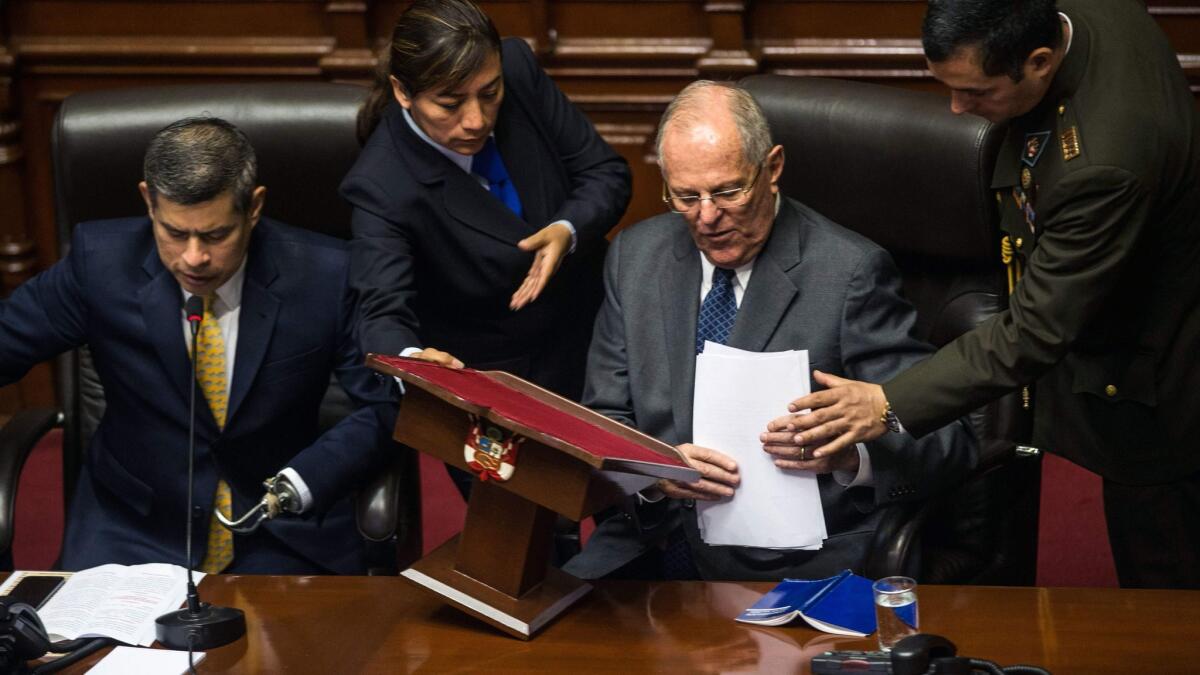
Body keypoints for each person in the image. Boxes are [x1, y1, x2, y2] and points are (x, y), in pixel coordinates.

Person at [781, 0, 1200, 589]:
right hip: (1098, 309)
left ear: (1039, 61)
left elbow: (1034, 330)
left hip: (1147, 375)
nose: (958, 110)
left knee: (1166, 586)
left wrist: (888, 403)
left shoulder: (1103, 161)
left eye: (976, 93)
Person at [563, 81, 976, 581]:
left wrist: (851, 457)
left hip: (787, 569)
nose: (708, 217)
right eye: (686, 197)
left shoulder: (850, 273)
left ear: (773, 167)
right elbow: (600, 419)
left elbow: (946, 441)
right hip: (645, 546)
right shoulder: (635, 257)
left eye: (728, 192)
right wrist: (655, 471)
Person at [0, 117, 397, 574]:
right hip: (133, 530)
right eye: (174, 233)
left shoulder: (325, 275)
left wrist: (302, 483)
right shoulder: (99, 264)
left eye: (215, 235)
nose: (194, 258)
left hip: (281, 531)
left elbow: (384, 404)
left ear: (254, 207)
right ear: (149, 202)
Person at [342, 0, 631, 402]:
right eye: (450, 103)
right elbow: (381, 312)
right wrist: (413, 362)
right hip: (502, 380)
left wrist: (568, 229)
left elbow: (606, 173)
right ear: (402, 92)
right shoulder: (380, 183)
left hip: (602, 334)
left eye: (489, 94)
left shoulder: (515, 67)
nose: (477, 120)